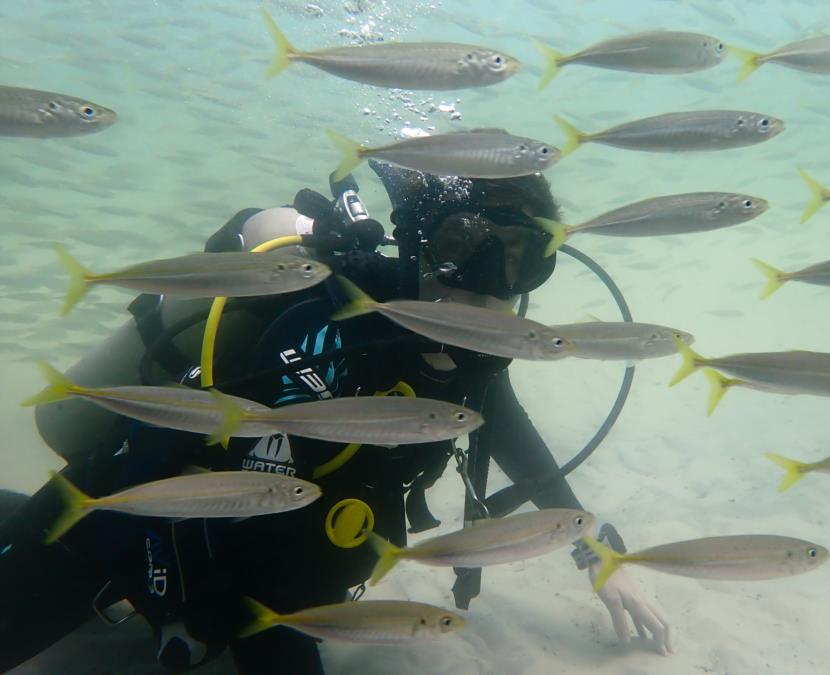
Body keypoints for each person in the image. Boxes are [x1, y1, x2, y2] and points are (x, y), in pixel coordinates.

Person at [0, 158, 671, 674]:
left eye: (521, 256)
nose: (485, 282)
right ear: (416, 241)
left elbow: (519, 441)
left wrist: (597, 550)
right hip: (114, 535)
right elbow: (240, 548)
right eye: (463, 242)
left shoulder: (471, 368)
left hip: (277, 590)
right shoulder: (316, 315)